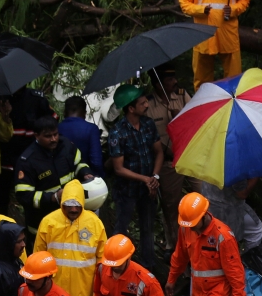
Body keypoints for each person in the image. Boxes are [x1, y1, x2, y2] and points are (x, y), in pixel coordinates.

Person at [108, 85, 163, 272]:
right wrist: (145, 179)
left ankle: (148, 267)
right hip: (127, 191)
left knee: (147, 227)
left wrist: (154, 177)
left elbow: (159, 152)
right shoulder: (117, 133)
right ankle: (117, 265)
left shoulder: (148, 124)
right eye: (142, 103)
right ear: (131, 108)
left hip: (148, 188)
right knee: (121, 228)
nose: (147, 105)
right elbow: (119, 168)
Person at [15, 116, 93, 249]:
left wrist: (85, 173)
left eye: (55, 134)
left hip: (70, 219)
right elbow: (24, 196)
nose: (53, 139)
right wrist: (53, 197)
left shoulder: (66, 146)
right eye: (48, 136)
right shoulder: (27, 161)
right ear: (36, 136)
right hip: (43, 224)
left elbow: (79, 163)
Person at [145, 66, 192, 270]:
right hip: (168, 162)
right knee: (171, 206)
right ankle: (174, 244)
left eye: (174, 78)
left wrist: (178, 117)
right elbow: (148, 134)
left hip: (189, 156)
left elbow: (194, 118)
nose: (174, 82)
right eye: (168, 80)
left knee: (202, 195)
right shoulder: (149, 104)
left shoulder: (181, 96)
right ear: (158, 84)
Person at [34, 179, 108, 296]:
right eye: (69, 204)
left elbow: (103, 261)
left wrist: (101, 291)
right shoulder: (48, 223)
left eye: (77, 204)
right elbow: (37, 259)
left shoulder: (95, 224)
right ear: (62, 203)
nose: (73, 209)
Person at [179, 0, 251, 88]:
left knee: (234, 77)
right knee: (202, 79)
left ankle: (233, 98)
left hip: (227, 33)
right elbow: (184, 2)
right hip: (202, 34)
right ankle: (203, 99)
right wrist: (201, 10)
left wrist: (233, 9)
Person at [0, 89, 58, 214]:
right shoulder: (0, 99)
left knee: (32, 197)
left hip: (32, 160)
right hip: (6, 159)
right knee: (2, 198)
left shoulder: (36, 99)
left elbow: (53, 120)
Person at [57, 96, 104, 179]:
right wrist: (99, 178)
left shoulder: (56, 129)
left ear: (64, 112)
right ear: (84, 112)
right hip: (86, 177)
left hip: (62, 179)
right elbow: (96, 161)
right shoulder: (91, 129)